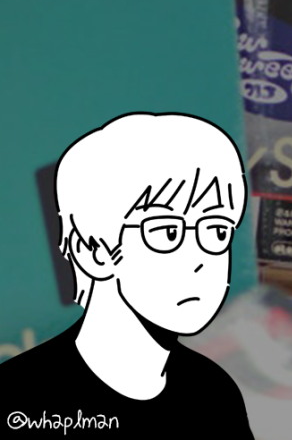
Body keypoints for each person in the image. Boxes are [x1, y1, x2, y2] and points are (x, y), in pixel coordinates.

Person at [0, 113, 253, 437]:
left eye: (216, 230)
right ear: (93, 250)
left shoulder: (215, 393)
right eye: (167, 232)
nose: (200, 259)